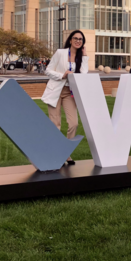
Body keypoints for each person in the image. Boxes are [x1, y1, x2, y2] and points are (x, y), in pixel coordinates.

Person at [41, 30, 88, 166]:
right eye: (76, 38)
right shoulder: (61, 53)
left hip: (70, 93)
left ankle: (66, 151)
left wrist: (85, 57)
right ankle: (57, 153)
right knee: (55, 125)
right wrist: (62, 75)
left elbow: (83, 75)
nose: (78, 41)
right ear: (70, 39)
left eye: (81, 39)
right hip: (56, 90)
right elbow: (48, 70)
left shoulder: (81, 57)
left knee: (74, 123)